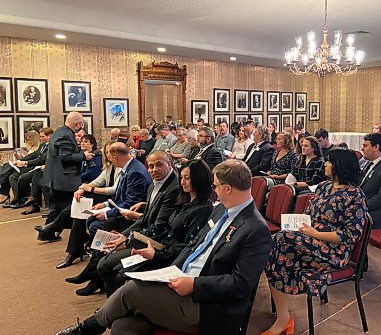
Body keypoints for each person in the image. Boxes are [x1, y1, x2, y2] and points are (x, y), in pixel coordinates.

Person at [56, 159, 272, 335]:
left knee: (131, 291)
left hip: (207, 305)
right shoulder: (221, 210)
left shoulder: (255, 229)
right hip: (180, 279)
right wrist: (162, 262)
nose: (213, 190)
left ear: (227, 188)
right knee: (124, 325)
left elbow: (240, 284)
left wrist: (194, 285)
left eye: (216, 186)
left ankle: (87, 328)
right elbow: (193, 246)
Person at [263, 148, 367, 335]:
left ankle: (283, 318)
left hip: (333, 251)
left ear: (339, 166)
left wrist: (313, 233)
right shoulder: (324, 187)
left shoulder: (355, 195)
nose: (325, 164)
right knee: (274, 249)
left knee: (279, 241)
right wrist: (297, 225)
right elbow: (309, 215)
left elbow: (349, 235)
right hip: (309, 239)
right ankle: (283, 316)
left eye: (329, 162)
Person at [97, 159, 212, 297]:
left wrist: (154, 253)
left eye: (187, 178)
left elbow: (188, 246)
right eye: (181, 177)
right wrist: (134, 239)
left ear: (199, 179)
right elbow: (165, 229)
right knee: (114, 266)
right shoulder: (185, 200)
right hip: (160, 246)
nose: (182, 182)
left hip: (168, 255)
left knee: (121, 274)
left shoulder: (202, 209)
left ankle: (113, 311)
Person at [36, 142, 122, 267]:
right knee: (79, 214)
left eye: (111, 152)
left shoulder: (120, 167)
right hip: (106, 198)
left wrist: (89, 189)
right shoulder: (109, 167)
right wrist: (83, 188)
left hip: (114, 201)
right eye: (107, 152)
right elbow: (98, 181)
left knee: (84, 200)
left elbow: (114, 190)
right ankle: (73, 251)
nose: (109, 155)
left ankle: (57, 227)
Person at [40, 112, 85, 225]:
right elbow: (65, 157)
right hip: (63, 179)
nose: (81, 127)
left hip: (56, 178)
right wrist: (84, 156)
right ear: (78, 124)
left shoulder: (59, 132)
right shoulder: (66, 135)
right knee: (59, 209)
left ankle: (49, 232)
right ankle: (46, 233)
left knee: (59, 209)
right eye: (81, 124)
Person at [5, 128, 52, 210]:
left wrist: (25, 163)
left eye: (42, 136)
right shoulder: (43, 145)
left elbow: (41, 159)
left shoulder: (52, 146)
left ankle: (29, 201)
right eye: (40, 137)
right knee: (20, 178)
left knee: (23, 177)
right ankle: (24, 200)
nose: (41, 139)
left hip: (44, 170)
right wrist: (20, 160)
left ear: (50, 136)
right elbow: (34, 155)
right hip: (37, 169)